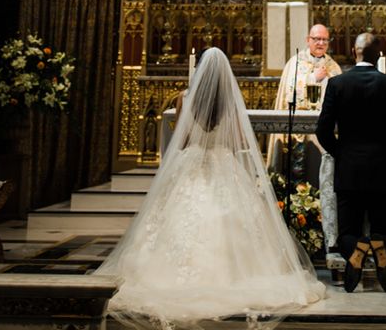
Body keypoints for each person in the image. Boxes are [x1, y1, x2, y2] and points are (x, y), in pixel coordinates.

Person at [99, 47, 324, 325]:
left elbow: (181, 141)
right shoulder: (230, 103)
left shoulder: (184, 99)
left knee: (174, 222)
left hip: (192, 166)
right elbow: (240, 143)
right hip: (223, 164)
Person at [317, 31, 386, 293]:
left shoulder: (337, 84)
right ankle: (380, 245)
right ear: (379, 56)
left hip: (349, 169)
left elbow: (322, 132)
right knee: (384, 228)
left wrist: (341, 152)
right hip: (382, 169)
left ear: (354, 52)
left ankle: (357, 248)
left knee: (348, 231)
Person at [268, 24, 341, 196]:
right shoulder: (295, 63)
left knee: (321, 174)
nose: (320, 43)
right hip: (300, 130)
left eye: (324, 39)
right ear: (308, 40)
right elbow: (289, 94)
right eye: (316, 39)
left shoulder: (333, 67)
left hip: (325, 129)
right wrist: (313, 78)